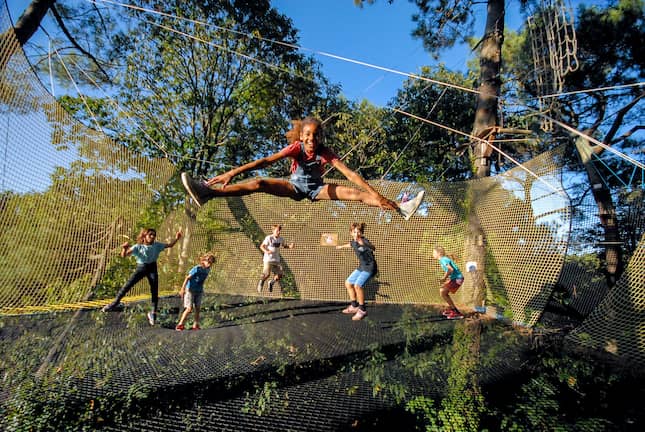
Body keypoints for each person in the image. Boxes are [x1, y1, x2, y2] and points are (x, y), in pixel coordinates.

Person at [180, 116, 424, 220]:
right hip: (295, 188)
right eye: (307, 135)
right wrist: (232, 172)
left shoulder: (324, 152)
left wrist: (377, 195)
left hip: (317, 189)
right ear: (302, 135)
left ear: (319, 137)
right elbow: (265, 161)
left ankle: (400, 208)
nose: (311, 140)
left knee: (357, 194)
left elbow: (349, 174)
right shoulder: (296, 148)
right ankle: (207, 192)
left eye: (315, 136)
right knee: (260, 183)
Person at [102, 228, 183, 326]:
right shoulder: (138, 247)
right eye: (150, 235)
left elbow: (170, 245)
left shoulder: (157, 245)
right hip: (141, 268)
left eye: (154, 235)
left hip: (152, 267)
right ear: (144, 236)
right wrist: (124, 248)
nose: (152, 237)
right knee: (127, 286)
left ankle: (153, 313)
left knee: (154, 290)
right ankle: (114, 304)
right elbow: (124, 255)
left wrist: (177, 238)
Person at [336, 222, 377, 321]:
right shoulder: (353, 242)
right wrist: (341, 246)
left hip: (370, 267)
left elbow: (373, 247)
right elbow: (350, 244)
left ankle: (362, 310)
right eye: (354, 232)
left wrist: (365, 244)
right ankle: (354, 306)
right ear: (351, 233)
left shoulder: (364, 240)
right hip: (362, 267)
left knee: (357, 286)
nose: (356, 234)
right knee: (348, 283)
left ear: (361, 233)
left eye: (358, 232)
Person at [176, 252, 216, 331]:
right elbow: (187, 278)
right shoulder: (197, 268)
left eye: (211, 263)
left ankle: (195, 325)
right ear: (203, 261)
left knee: (197, 308)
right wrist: (182, 289)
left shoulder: (208, 270)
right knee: (189, 308)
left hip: (199, 291)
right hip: (190, 290)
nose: (210, 264)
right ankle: (180, 324)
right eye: (208, 262)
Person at [257, 224, 294, 293]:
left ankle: (271, 282)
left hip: (276, 260)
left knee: (280, 274)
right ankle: (261, 282)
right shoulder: (269, 238)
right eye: (277, 231)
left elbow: (284, 246)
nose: (279, 232)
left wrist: (290, 246)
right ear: (273, 231)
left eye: (279, 230)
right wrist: (267, 251)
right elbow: (261, 246)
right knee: (267, 274)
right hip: (268, 260)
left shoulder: (281, 239)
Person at [432, 246, 465, 320]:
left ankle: (456, 312)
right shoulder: (443, 260)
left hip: (458, 278)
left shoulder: (443, 259)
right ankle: (452, 309)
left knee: (442, 292)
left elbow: (450, 269)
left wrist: (444, 278)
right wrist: (449, 279)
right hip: (456, 278)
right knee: (443, 292)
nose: (432, 254)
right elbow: (452, 271)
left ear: (439, 253)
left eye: (434, 253)